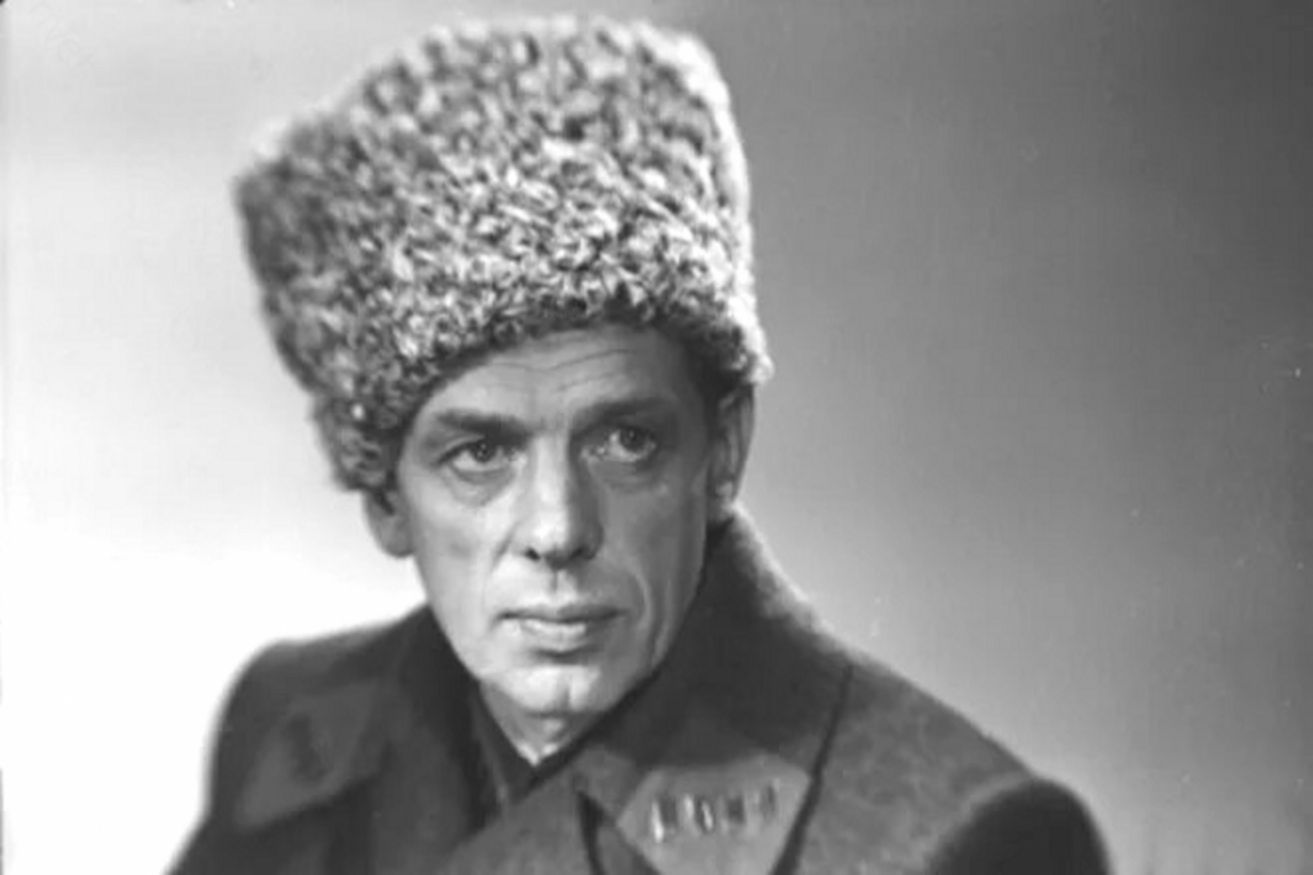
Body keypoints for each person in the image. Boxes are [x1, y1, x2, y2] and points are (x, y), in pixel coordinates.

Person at [170, 16, 1108, 874]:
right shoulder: (289, 724)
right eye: (480, 455)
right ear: (383, 496)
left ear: (723, 449)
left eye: (624, 440)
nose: (557, 529)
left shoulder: (957, 841)